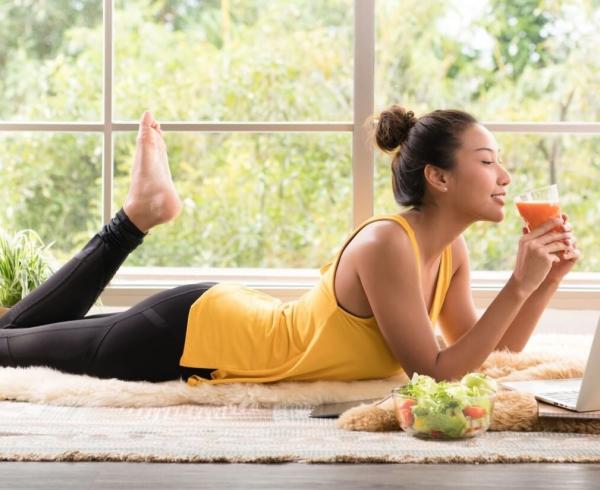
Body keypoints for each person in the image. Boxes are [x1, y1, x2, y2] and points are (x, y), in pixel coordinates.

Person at [0, 108, 579, 385]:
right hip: (192, 335)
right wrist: (518, 283)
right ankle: (136, 215)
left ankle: (143, 212)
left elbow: (487, 350)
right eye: (487, 161)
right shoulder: (386, 244)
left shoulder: (451, 253)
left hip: (223, 322)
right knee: (6, 352)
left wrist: (545, 280)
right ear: (440, 177)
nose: (504, 176)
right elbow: (435, 371)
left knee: (11, 337)